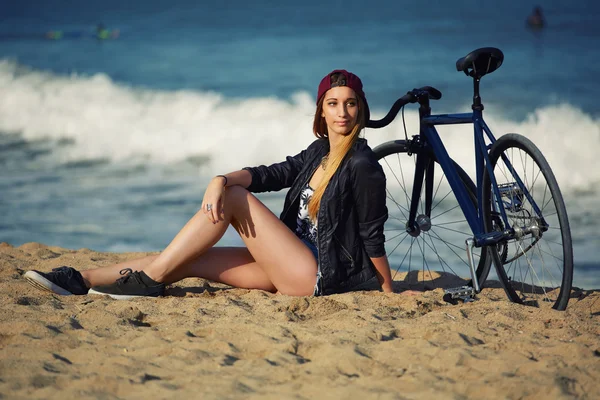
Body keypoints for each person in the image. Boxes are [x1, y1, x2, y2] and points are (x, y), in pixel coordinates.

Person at [24, 70, 395, 300]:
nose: (342, 113)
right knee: (188, 258)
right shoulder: (319, 152)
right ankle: (80, 279)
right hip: (289, 258)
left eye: (349, 104)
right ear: (322, 111)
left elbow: (371, 234)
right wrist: (219, 178)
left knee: (234, 198)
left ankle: (149, 280)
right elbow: (272, 174)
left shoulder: (362, 164)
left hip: (314, 273)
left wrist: (388, 290)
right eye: (333, 103)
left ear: (360, 109)